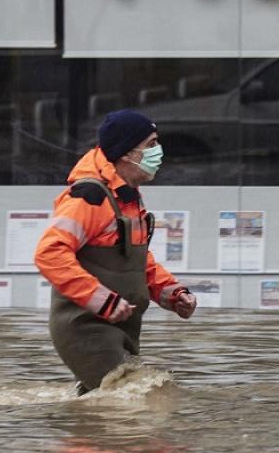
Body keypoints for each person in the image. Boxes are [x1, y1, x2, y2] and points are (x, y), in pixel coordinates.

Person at [34, 109, 197, 394]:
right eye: (151, 144)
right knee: (140, 399)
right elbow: (50, 253)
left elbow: (136, 261)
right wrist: (101, 300)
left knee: (108, 409)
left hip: (121, 327)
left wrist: (172, 293)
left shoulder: (128, 199)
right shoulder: (89, 199)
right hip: (86, 328)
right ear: (126, 153)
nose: (158, 152)